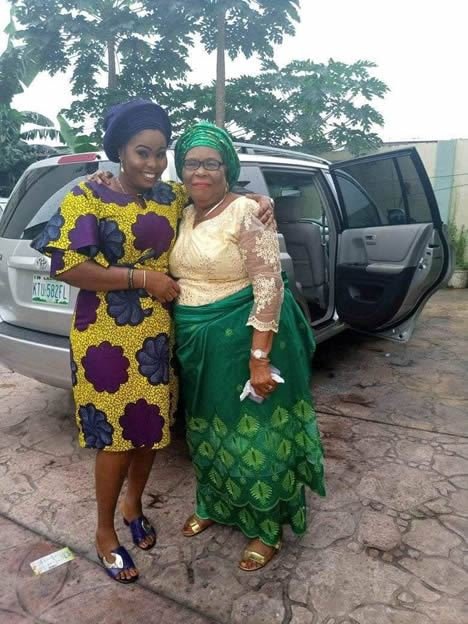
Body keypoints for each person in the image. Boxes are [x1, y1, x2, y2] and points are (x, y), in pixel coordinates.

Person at [31, 100, 273, 584]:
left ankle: (133, 506)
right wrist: (143, 278)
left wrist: (261, 201)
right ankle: (104, 532)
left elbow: (216, 192)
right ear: (120, 151)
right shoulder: (87, 196)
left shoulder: (170, 196)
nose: (154, 163)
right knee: (115, 440)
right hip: (105, 336)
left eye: (161, 153)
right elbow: (67, 267)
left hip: (160, 335)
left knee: (150, 430)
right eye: (143, 152)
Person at [170, 122, 325, 571]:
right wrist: (100, 178)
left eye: (211, 163)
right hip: (197, 345)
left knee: (255, 433)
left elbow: (269, 287)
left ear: (228, 169)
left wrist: (260, 359)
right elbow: (133, 182)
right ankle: (214, 504)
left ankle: (266, 527)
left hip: (242, 341)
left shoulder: (245, 214)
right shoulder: (183, 211)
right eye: (191, 163)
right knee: (206, 428)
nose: (200, 171)